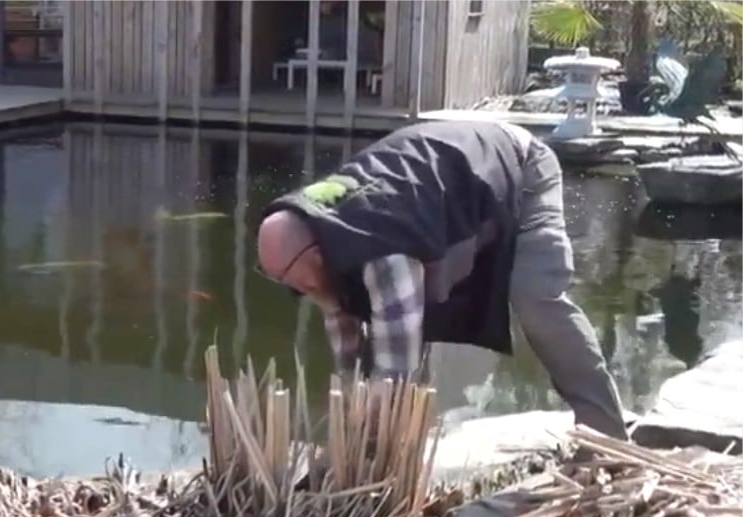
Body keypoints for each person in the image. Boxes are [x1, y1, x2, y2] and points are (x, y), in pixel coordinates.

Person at [254, 120, 629, 440]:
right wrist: (351, 391)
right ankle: (411, 440)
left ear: (314, 254)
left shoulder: (383, 248)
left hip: (520, 164)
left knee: (535, 297)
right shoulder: (319, 231)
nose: (296, 291)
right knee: (411, 308)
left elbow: (395, 368)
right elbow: (340, 313)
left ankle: (605, 432)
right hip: (444, 184)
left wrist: (377, 415)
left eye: (292, 280)